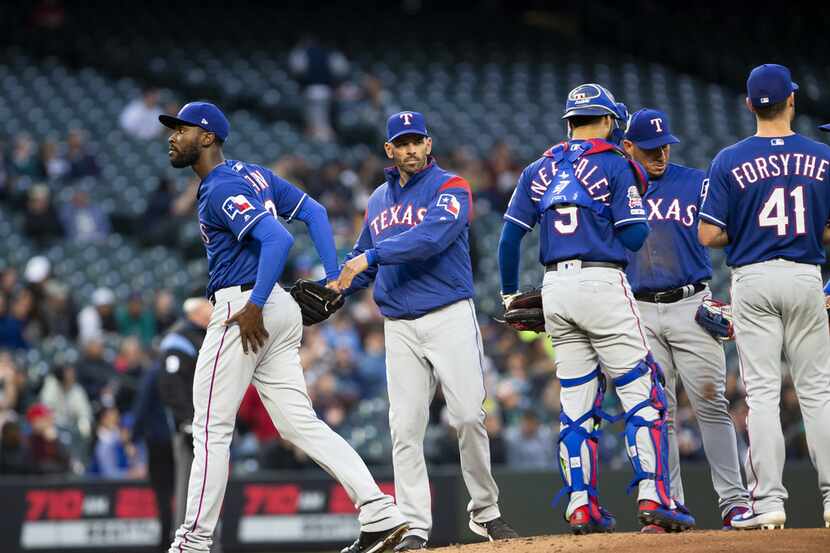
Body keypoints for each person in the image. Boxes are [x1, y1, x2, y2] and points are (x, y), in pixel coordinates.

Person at [159, 101, 407, 553]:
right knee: (300, 425)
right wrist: (333, 279)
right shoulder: (254, 173)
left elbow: (278, 237)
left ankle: (192, 542)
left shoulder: (219, 186)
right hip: (280, 308)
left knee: (211, 428)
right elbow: (312, 211)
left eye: (182, 128)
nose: (172, 136)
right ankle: (379, 511)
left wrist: (253, 305)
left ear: (208, 136)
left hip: (245, 307)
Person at [497, 84, 695, 535]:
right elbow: (634, 237)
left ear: (569, 122)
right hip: (602, 282)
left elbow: (509, 239)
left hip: (556, 288)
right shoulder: (615, 164)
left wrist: (510, 297)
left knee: (576, 403)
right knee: (644, 393)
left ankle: (581, 505)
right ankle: (654, 496)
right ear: (607, 121)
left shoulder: (538, 168)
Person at [333, 111, 518, 551]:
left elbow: (431, 239)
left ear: (429, 145)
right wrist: (336, 286)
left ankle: (486, 512)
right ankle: (415, 524)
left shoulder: (451, 187)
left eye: (419, 140)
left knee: (470, 416)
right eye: (404, 142)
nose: (412, 148)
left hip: (448, 314)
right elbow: (362, 258)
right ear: (389, 150)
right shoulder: (378, 199)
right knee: (405, 427)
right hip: (398, 324)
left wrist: (370, 258)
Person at [698, 64, 830, 530]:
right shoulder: (823, 156)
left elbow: (709, 233)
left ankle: (770, 502)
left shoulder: (729, 160)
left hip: (753, 278)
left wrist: (747, 229)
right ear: (792, 101)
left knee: (762, 396)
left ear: (750, 104)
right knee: (818, 394)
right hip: (805, 276)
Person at [621, 108, 750, 530]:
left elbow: (732, 234)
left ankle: (734, 502)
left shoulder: (696, 181)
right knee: (659, 412)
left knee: (711, 403)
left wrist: (734, 293)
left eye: (664, 146)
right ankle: (667, 502)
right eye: (649, 148)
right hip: (639, 308)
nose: (659, 154)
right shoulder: (616, 187)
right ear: (628, 148)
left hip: (690, 304)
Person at [155, 297, 223, 551]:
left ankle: (209, 544)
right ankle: (186, 545)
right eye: (209, 305)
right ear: (195, 309)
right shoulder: (179, 339)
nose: (213, 309)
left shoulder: (206, 334)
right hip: (190, 429)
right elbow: (170, 387)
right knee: (190, 490)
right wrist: (187, 420)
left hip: (211, 425)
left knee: (211, 487)